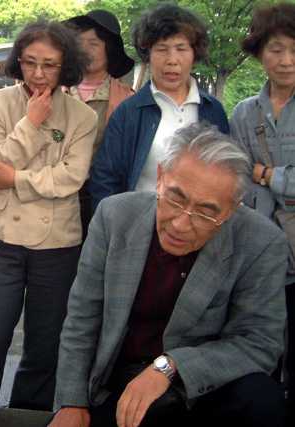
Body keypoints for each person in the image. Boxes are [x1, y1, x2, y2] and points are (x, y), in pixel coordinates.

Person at [50, 123, 287, 427]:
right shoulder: (114, 216)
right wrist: (71, 402)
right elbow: (83, 318)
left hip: (207, 386)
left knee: (262, 399)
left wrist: (171, 366)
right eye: (175, 198)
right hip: (124, 385)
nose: (180, 224)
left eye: (205, 212)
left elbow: (260, 342)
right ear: (160, 177)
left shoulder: (261, 242)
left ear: (230, 210)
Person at [0, 21, 97, 411]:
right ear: (17, 61)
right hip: (1, 238)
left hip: (57, 244)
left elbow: (71, 177)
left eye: (49, 65)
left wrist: (17, 178)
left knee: (45, 342)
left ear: (66, 66)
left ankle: (27, 414)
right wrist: (31, 122)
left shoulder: (83, 117)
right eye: (30, 62)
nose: (38, 73)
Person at [89, 3, 228, 207]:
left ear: (194, 53)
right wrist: (116, 223)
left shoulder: (212, 110)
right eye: (162, 49)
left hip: (197, 221)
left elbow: (225, 174)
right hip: (140, 220)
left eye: (181, 48)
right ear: (148, 55)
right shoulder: (129, 112)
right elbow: (104, 180)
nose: (172, 60)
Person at [230, 2, 295, 420]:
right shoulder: (244, 113)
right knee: (259, 350)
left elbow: (254, 175)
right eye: (275, 49)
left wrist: (269, 175)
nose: (286, 60)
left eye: (294, 49)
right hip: (260, 252)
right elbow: (237, 177)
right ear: (259, 53)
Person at [64, 9, 134, 238]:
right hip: (57, 195)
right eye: (79, 43)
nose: (84, 49)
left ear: (109, 49)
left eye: (93, 43)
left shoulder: (128, 100)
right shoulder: (56, 93)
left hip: (103, 196)